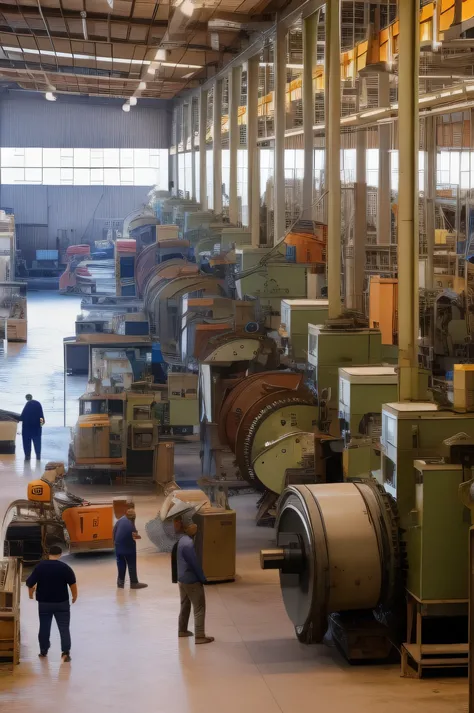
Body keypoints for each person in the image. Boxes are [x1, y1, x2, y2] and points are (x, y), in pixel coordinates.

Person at [26, 544, 77, 662]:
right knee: (64, 628)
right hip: (62, 603)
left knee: (44, 627)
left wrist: (30, 594)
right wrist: (74, 596)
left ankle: (43, 651)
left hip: (44, 604)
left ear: (48, 554)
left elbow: (30, 583)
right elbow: (72, 583)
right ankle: (65, 653)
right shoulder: (65, 567)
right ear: (60, 554)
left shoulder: (40, 567)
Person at [172, 512, 214, 644]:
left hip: (182, 579)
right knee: (199, 607)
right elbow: (194, 564)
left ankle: (182, 630)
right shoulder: (189, 544)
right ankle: (200, 636)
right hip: (191, 580)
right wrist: (202, 578)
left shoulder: (181, 541)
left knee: (185, 605)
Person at [113, 508, 148, 589]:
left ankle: (120, 582)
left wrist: (115, 544)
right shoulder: (131, 523)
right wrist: (138, 536)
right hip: (128, 548)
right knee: (131, 562)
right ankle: (134, 582)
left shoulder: (119, 520)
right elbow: (135, 535)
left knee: (121, 563)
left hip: (118, 547)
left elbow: (114, 531)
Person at [19, 394, 44, 461]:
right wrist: (40, 426)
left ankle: (27, 456)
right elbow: (41, 417)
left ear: (26, 398)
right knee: (37, 442)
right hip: (36, 428)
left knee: (27, 443)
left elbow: (22, 417)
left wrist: (16, 418)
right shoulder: (38, 404)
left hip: (27, 428)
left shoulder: (27, 405)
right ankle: (38, 456)